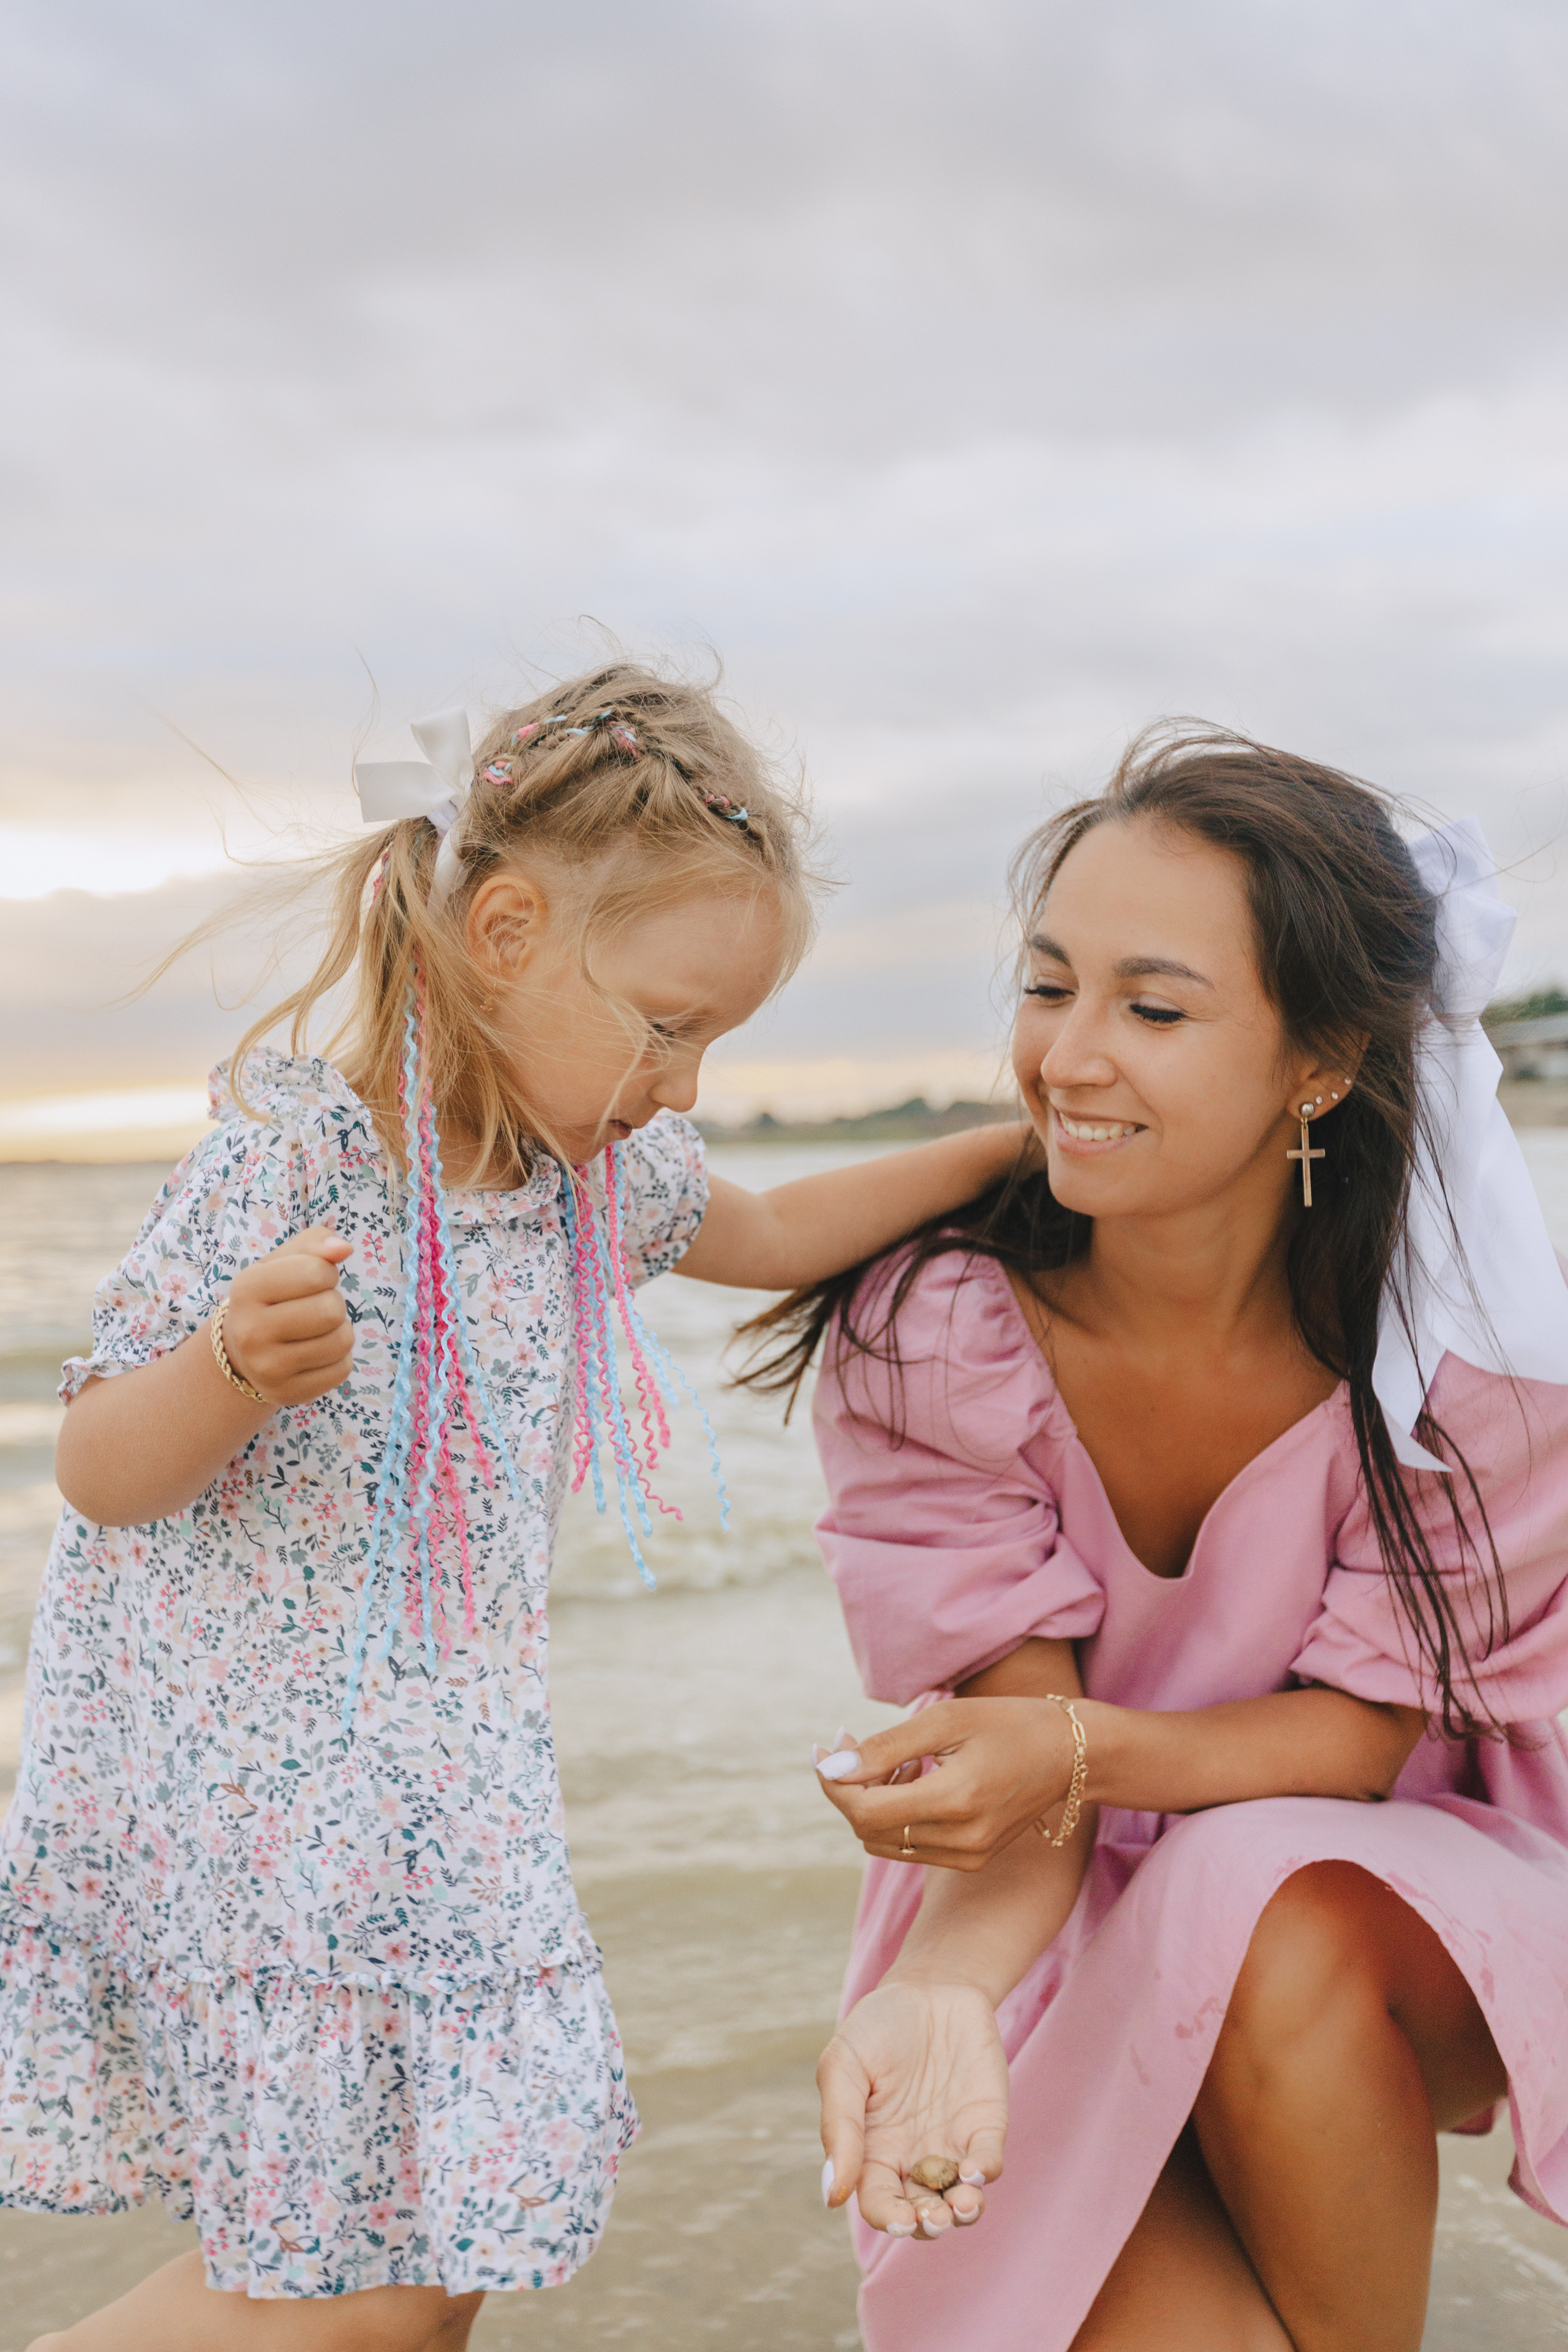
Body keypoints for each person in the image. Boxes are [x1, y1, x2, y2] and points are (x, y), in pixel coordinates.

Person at [0, 664, 1028, 2352]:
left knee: (444, 2261)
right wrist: (231, 1368)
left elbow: (774, 1233)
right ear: (505, 933)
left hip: (452, 1800)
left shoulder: (588, 1178)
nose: (685, 1083)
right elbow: (103, 1466)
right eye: (669, 1024)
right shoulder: (300, 1161)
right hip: (276, 1813)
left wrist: (1000, 1157)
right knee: (369, 2285)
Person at [743, 725, 1568, 2352]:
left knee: (1258, 1884)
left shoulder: (1461, 1376)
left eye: (1156, 1007)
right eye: (1050, 988)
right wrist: (943, 1988)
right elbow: (1021, 1758)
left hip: (1376, 1918)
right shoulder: (941, 1337)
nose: (1067, 1056)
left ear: (1322, 1060)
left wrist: (1056, 1748)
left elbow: (1352, 1748)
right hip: (1046, 1919)